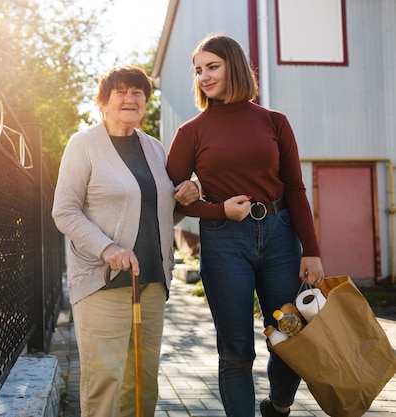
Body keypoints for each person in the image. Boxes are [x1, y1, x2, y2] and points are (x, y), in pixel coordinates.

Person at [166, 34, 325, 417]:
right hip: (224, 245)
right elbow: (170, 201)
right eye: (198, 70)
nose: (203, 76)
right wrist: (217, 209)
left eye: (212, 67)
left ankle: (279, 406)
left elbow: (295, 188)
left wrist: (313, 250)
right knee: (236, 350)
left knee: (290, 338)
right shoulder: (191, 132)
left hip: (281, 238)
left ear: (234, 66)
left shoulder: (275, 122)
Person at [52, 65, 199, 417]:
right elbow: (65, 211)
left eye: (138, 92)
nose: (130, 98)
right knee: (105, 383)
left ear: (146, 101)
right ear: (103, 101)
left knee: (144, 384)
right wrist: (108, 247)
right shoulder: (83, 145)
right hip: (103, 283)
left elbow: (159, 211)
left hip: (150, 283)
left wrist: (192, 192)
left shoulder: (154, 148)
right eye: (120, 91)